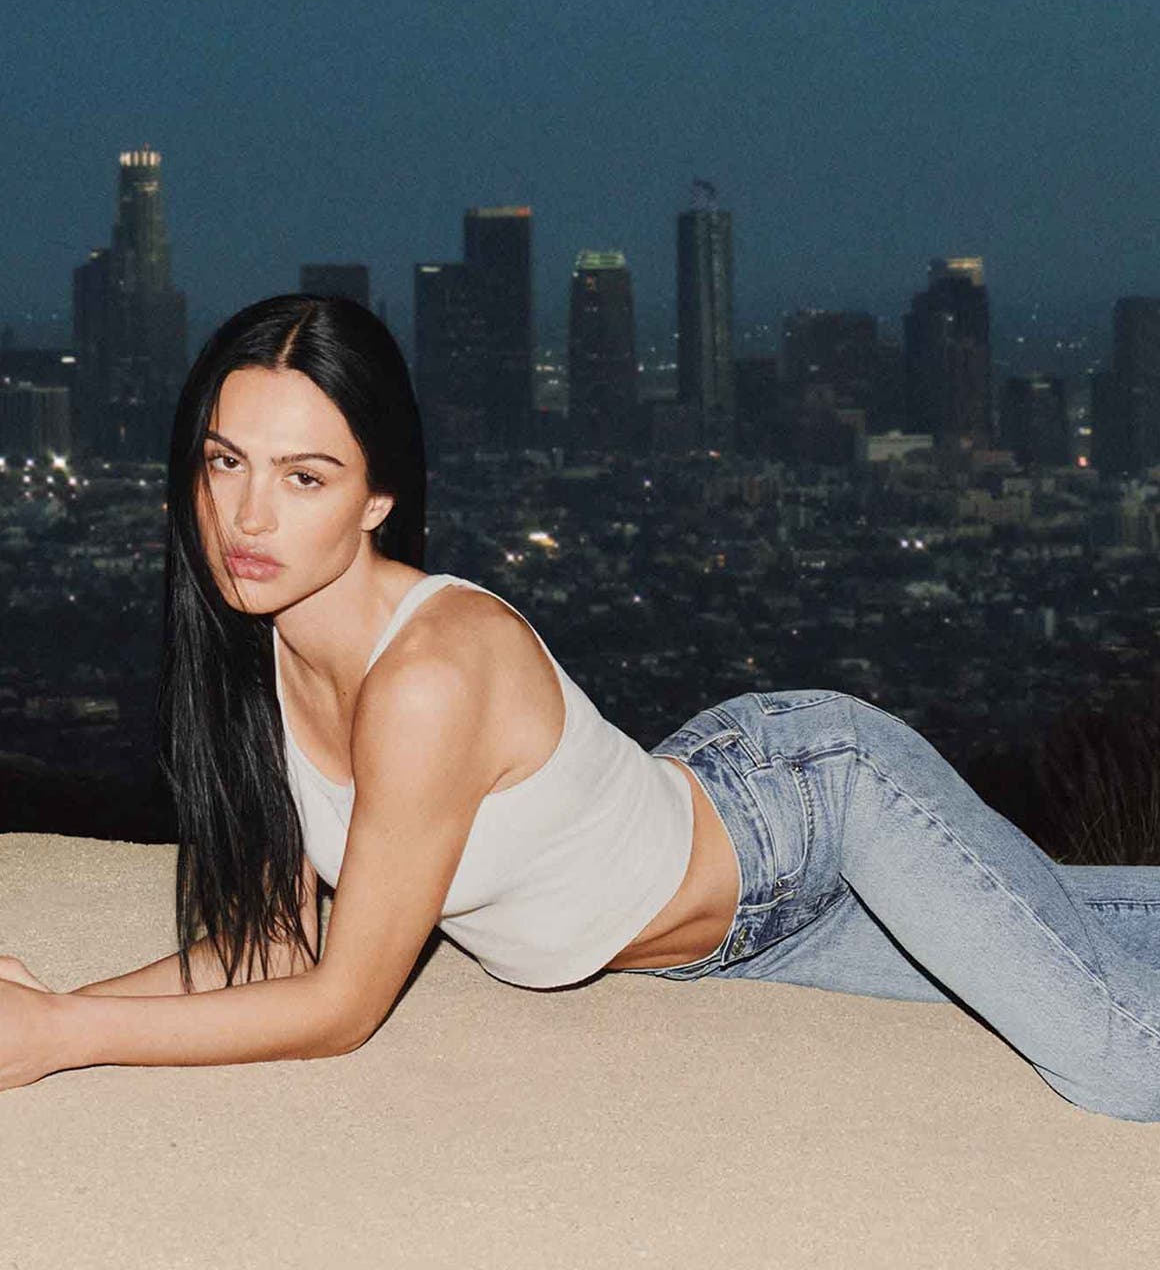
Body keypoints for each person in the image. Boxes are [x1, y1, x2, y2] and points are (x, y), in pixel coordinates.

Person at [3, 293, 1160, 1122]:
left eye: (304, 476)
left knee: (1121, 1063)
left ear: (377, 499)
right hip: (732, 933)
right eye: (223, 463)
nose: (248, 516)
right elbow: (275, 939)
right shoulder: (256, 655)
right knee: (1081, 936)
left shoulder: (429, 678)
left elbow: (344, 1003)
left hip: (815, 814)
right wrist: (48, 1009)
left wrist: (66, 1037)